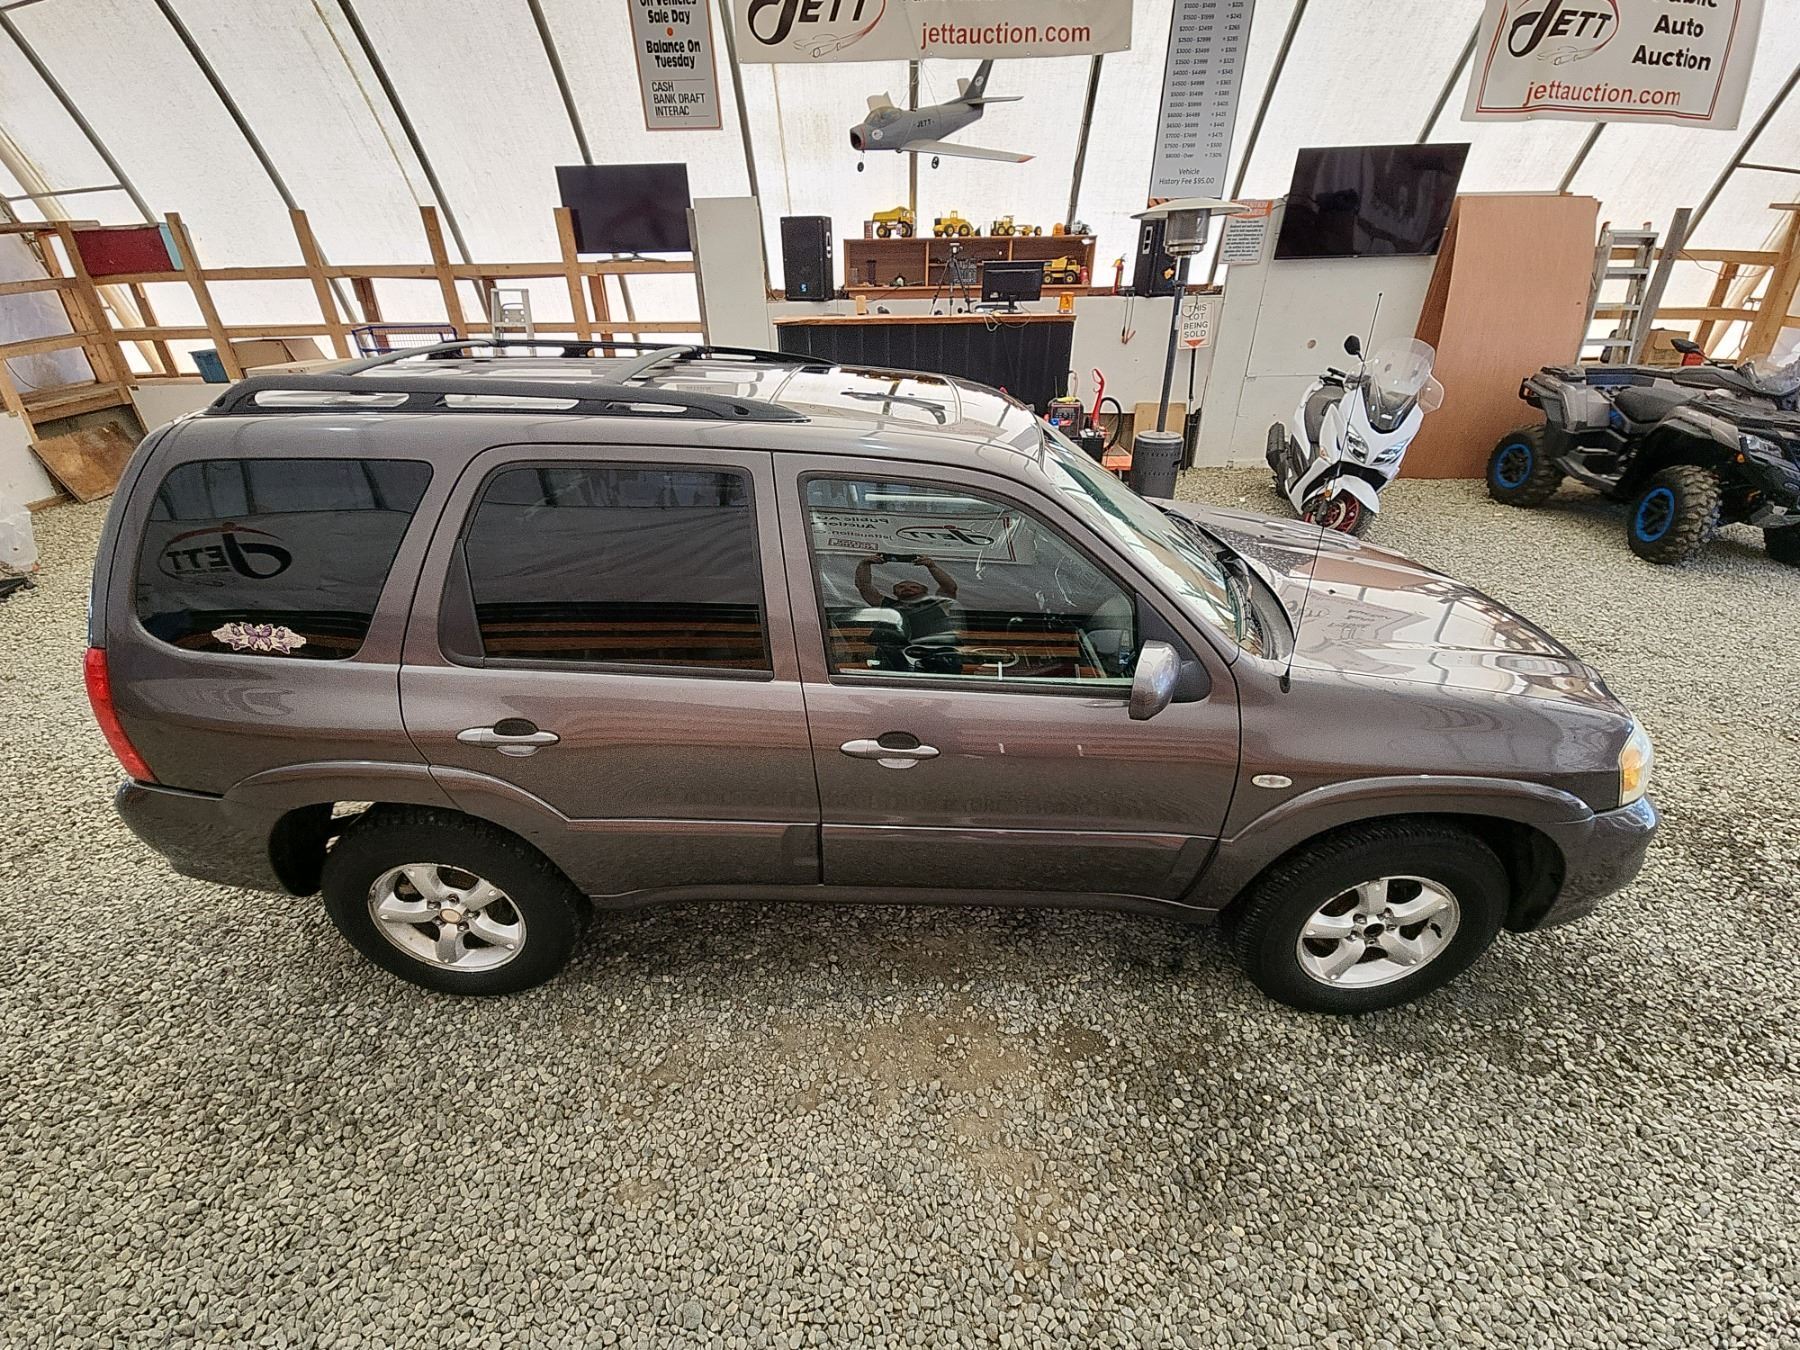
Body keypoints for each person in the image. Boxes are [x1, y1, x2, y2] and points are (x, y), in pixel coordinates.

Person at [855, 553, 958, 638]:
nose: (907, 588)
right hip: (893, 650)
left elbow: (950, 588)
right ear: (894, 592)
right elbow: (864, 586)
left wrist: (932, 567)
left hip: (932, 650)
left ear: (925, 591)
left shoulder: (936, 605)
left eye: (914, 587)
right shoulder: (887, 604)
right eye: (901, 587)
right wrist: (864, 564)